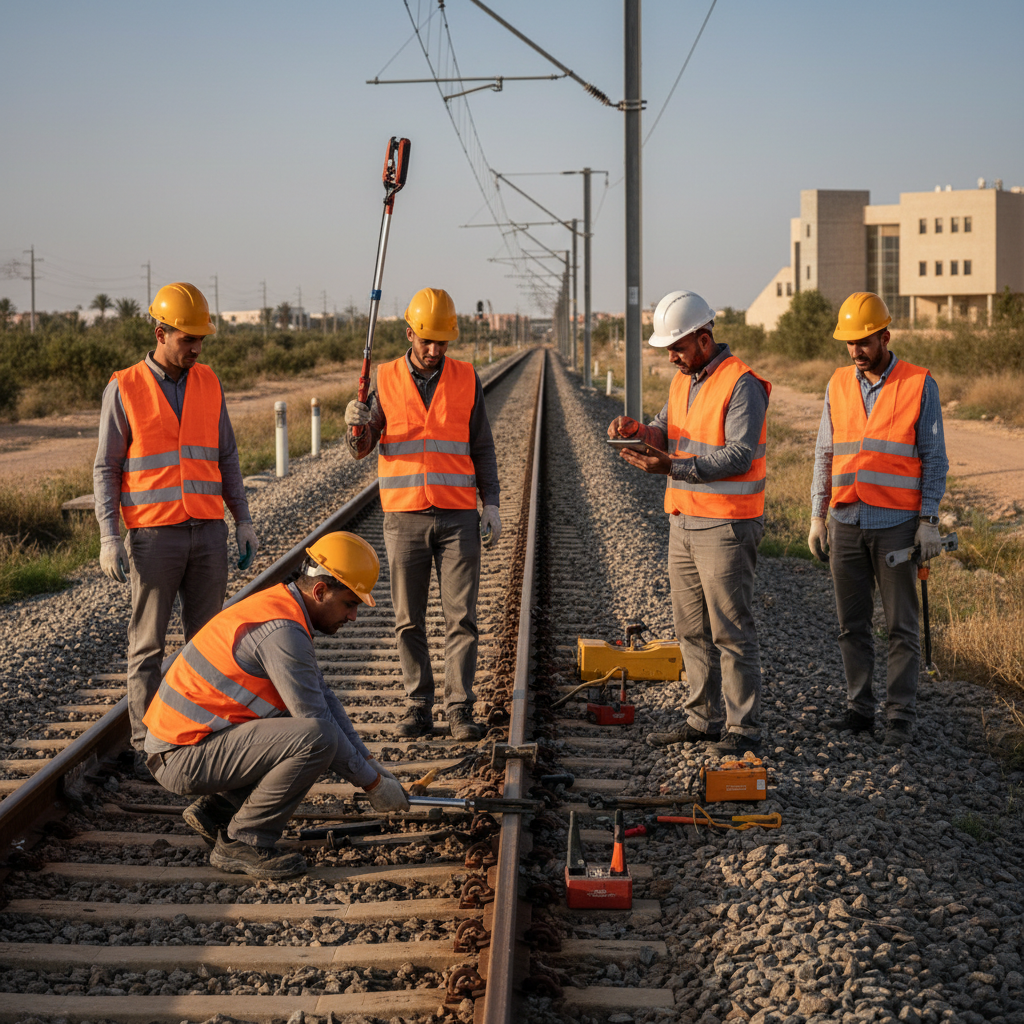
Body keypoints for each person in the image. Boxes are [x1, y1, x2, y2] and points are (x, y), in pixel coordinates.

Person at [143, 532, 411, 881]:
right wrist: (372, 785)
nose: (354, 616)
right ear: (320, 591)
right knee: (317, 738)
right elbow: (319, 723)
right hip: (180, 757)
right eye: (349, 604)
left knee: (303, 723)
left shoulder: (284, 609)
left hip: (193, 745)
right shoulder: (282, 631)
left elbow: (324, 698)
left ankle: (219, 811)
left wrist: (371, 764)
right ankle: (244, 840)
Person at [93, 282, 259, 773]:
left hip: (208, 532)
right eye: (188, 339)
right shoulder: (124, 387)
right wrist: (108, 536)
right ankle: (147, 744)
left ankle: (199, 734)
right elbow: (106, 467)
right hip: (154, 536)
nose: (197, 348)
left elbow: (227, 456)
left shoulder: (209, 382)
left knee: (206, 643)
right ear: (161, 333)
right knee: (147, 645)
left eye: (201, 339)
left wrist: (243, 520)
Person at [607, 290, 770, 757]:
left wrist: (673, 468)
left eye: (677, 347)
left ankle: (742, 729)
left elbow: (738, 455)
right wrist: (637, 432)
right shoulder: (684, 380)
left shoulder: (742, 383)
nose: (671, 357)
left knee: (730, 632)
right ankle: (703, 720)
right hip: (684, 521)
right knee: (691, 630)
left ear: (703, 338)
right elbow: (665, 430)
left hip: (726, 525)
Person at [344, 287, 500, 742]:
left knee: (461, 618)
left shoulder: (466, 377)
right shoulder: (385, 377)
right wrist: (355, 423)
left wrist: (490, 502)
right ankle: (418, 704)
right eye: (427, 341)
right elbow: (361, 448)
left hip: (458, 516)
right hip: (404, 516)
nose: (434, 350)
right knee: (408, 619)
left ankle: (459, 708)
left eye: (442, 342)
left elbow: (482, 445)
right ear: (410, 333)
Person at [808, 292, 948, 747]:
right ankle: (859, 710)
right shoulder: (837, 384)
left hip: (897, 525)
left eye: (864, 341)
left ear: (885, 337)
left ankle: (900, 716)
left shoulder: (918, 383)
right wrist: (817, 516)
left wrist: (929, 520)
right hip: (846, 520)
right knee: (852, 624)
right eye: (849, 343)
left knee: (901, 626)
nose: (856, 351)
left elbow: (934, 457)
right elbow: (825, 453)